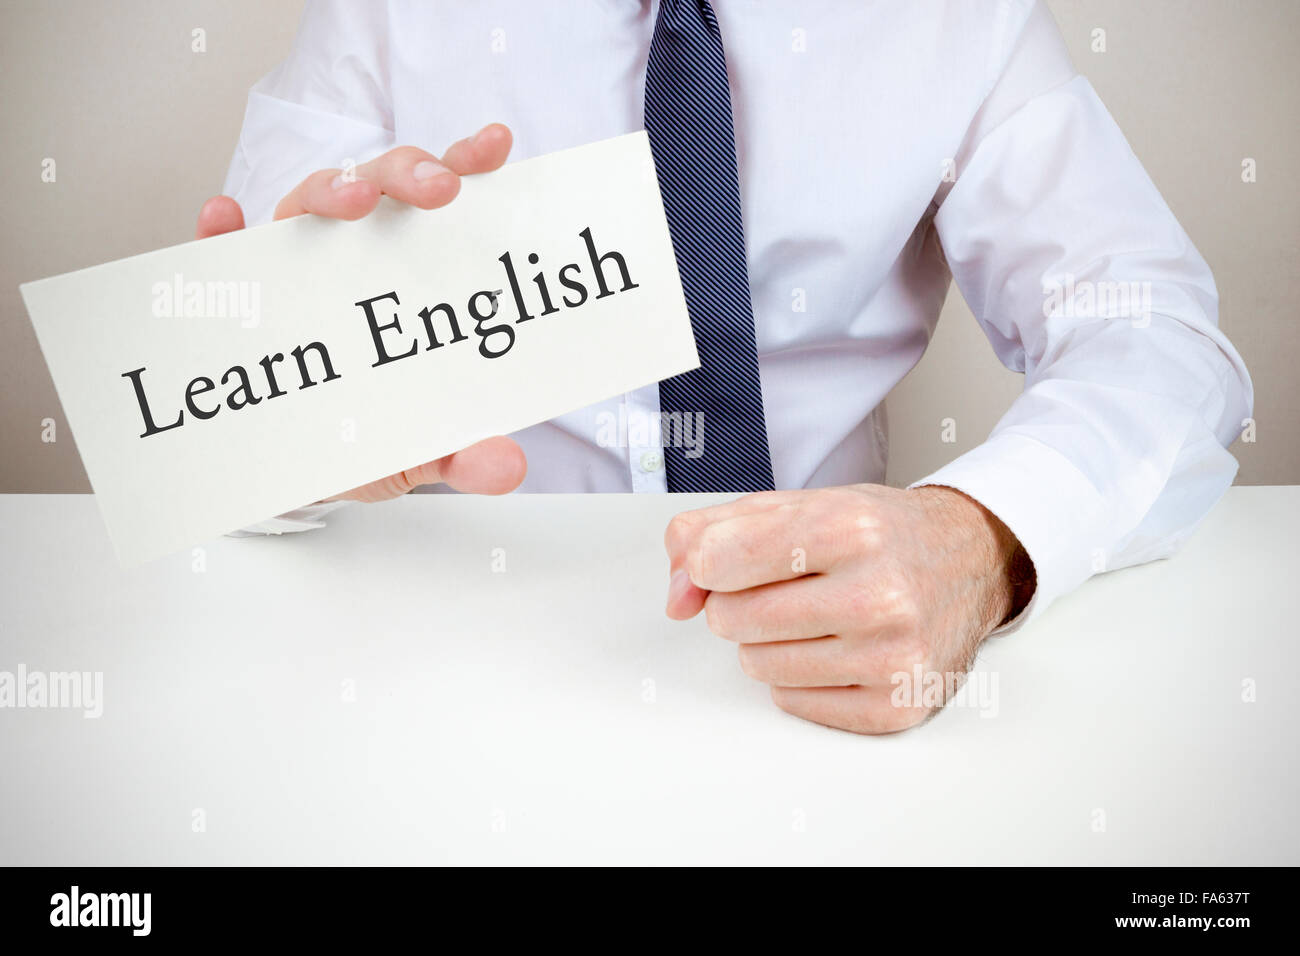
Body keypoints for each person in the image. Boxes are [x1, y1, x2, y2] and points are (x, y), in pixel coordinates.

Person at [199, 0, 1252, 734]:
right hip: (449, 649)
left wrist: (976, 538)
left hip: (826, 659)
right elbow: (225, 411)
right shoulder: (380, 9)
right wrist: (283, 424)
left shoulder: (958, 18)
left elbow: (1158, 342)